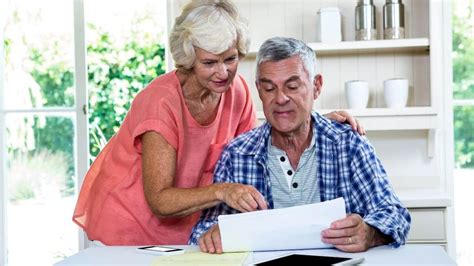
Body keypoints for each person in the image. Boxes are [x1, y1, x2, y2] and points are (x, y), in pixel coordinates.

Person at [72, 1, 363, 246]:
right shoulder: (160, 103)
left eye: (231, 58)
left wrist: (310, 120)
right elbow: (159, 199)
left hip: (188, 227)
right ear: (188, 60)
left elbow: (256, 149)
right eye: (210, 63)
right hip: (130, 225)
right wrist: (223, 190)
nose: (223, 72)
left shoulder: (236, 92)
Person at [189, 37, 411, 254]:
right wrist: (214, 235)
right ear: (259, 91)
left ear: (316, 86)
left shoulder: (348, 144)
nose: (281, 98)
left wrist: (369, 232)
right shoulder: (236, 154)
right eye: (269, 89)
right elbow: (203, 228)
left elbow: (394, 214)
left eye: (292, 86)